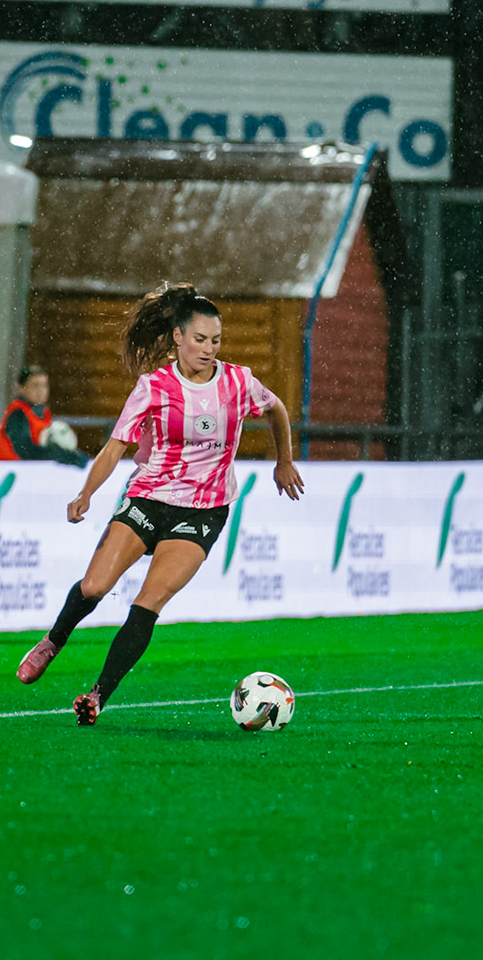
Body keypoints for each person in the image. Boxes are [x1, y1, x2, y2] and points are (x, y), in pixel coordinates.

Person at [16, 283, 305, 723]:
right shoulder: (153, 387)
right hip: (148, 498)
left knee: (148, 602)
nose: (209, 349)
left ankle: (97, 695)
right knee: (94, 587)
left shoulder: (237, 382)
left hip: (204, 511)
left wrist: (283, 461)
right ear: (178, 337)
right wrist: (86, 493)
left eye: (216, 340)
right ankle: (53, 641)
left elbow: (277, 408)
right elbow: (115, 446)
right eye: (200, 339)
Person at [0, 365, 87, 466]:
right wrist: (63, 455)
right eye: (35, 385)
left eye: (44, 385)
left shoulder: (43, 413)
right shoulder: (17, 413)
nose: (40, 390)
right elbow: (25, 450)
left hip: (34, 470)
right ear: (21, 389)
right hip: (14, 471)